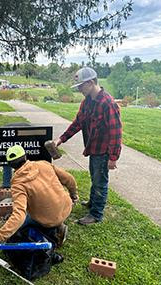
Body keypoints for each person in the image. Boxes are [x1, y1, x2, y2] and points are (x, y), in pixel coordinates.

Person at [0, 145, 79, 251]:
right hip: (67, 207)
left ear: (10, 165)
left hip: (49, 220)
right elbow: (69, 179)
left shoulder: (18, 184)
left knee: (20, 228)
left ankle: (53, 231)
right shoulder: (44, 164)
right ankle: (58, 225)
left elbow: (19, 215)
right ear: (25, 156)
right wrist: (73, 195)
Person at [55, 67, 122, 225]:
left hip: (103, 151)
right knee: (95, 177)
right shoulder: (87, 102)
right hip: (93, 148)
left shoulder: (108, 103)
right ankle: (93, 202)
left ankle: (96, 214)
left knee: (100, 181)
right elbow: (78, 122)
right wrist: (61, 139)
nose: (79, 90)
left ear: (91, 83)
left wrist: (113, 157)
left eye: (81, 86)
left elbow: (116, 132)